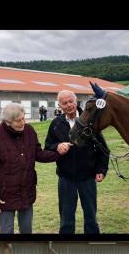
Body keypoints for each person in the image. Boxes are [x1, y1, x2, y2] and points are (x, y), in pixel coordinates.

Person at [0, 103, 66, 234]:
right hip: (5, 195)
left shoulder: (29, 131)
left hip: (26, 191)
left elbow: (38, 154)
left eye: (23, 118)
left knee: (27, 230)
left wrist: (58, 154)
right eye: (18, 121)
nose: (22, 123)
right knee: (6, 230)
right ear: (8, 122)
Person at [44, 90, 109, 234]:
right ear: (59, 105)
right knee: (66, 219)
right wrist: (57, 147)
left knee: (91, 218)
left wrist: (101, 170)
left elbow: (103, 149)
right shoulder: (56, 123)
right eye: (64, 103)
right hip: (66, 178)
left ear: (76, 101)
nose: (68, 105)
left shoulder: (89, 120)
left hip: (88, 177)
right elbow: (48, 147)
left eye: (70, 101)